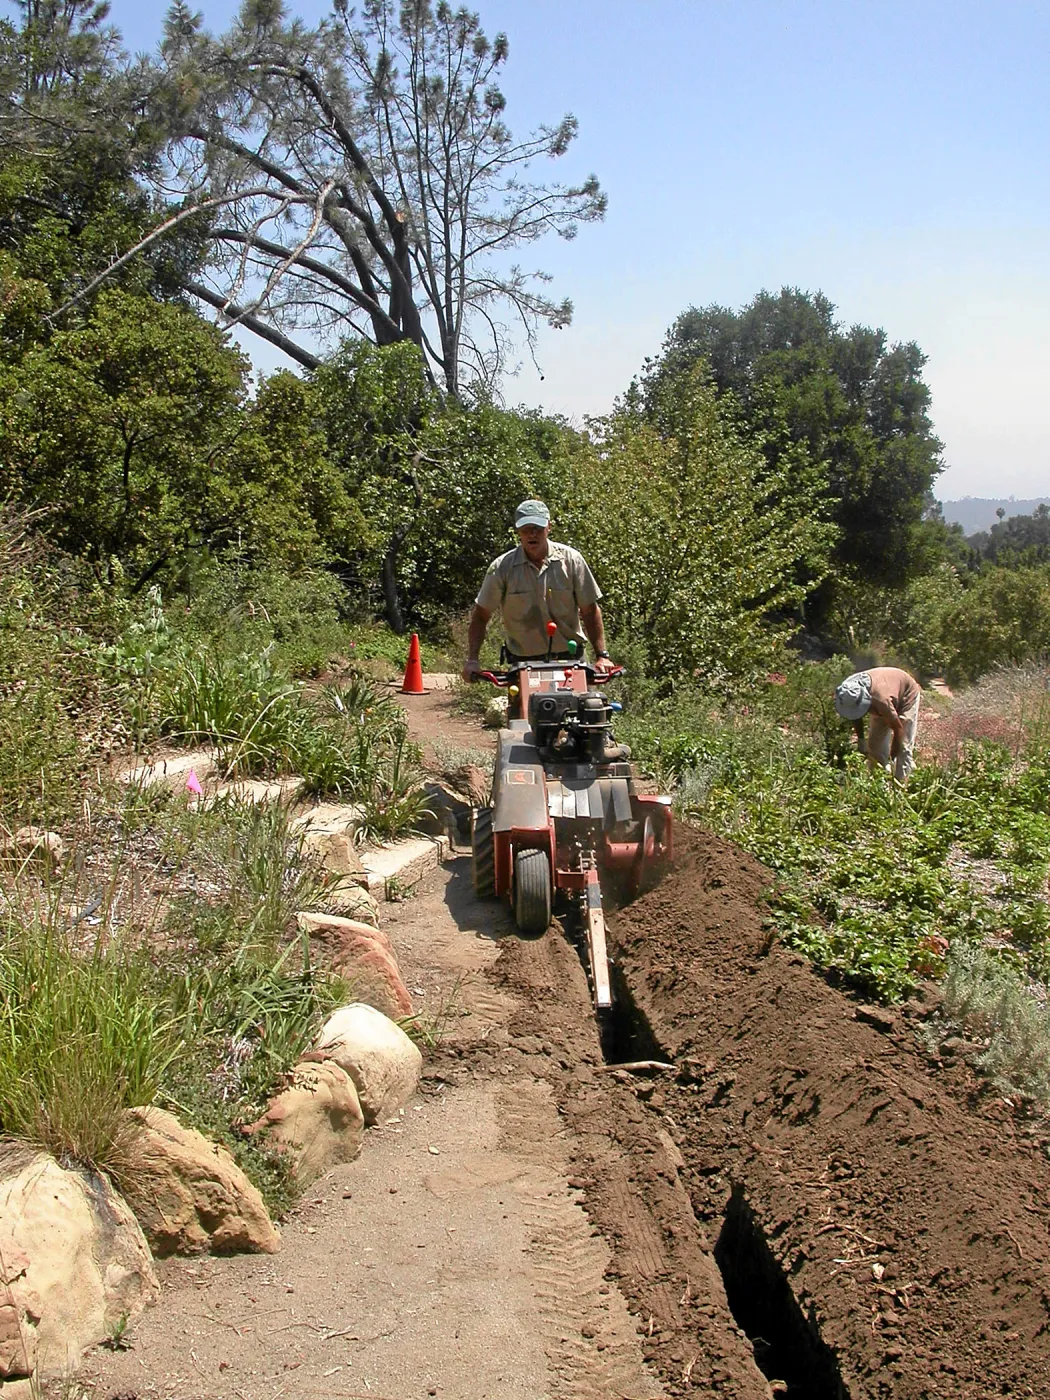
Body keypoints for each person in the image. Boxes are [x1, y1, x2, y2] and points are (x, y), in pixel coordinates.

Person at [462, 499, 615, 682]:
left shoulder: (571, 561)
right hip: (522, 663)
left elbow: (590, 610)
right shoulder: (502, 568)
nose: (532, 535)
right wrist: (472, 660)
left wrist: (602, 655)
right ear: (518, 531)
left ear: (548, 527)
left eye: (538, 528)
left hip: (570, 660)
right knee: (523, 710)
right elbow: (481, 615)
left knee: (588, 707)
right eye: (526, 529)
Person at [834, 666, 922, 783]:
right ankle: (878, 783)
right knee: (875, 747)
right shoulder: (846, 691)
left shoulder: (881, 699)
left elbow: (898, 729)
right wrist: (861, 741)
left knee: (903, 747)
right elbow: (855, 716)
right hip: (885, 697)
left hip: (907, 694)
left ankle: (902, 785)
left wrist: (892, 757)